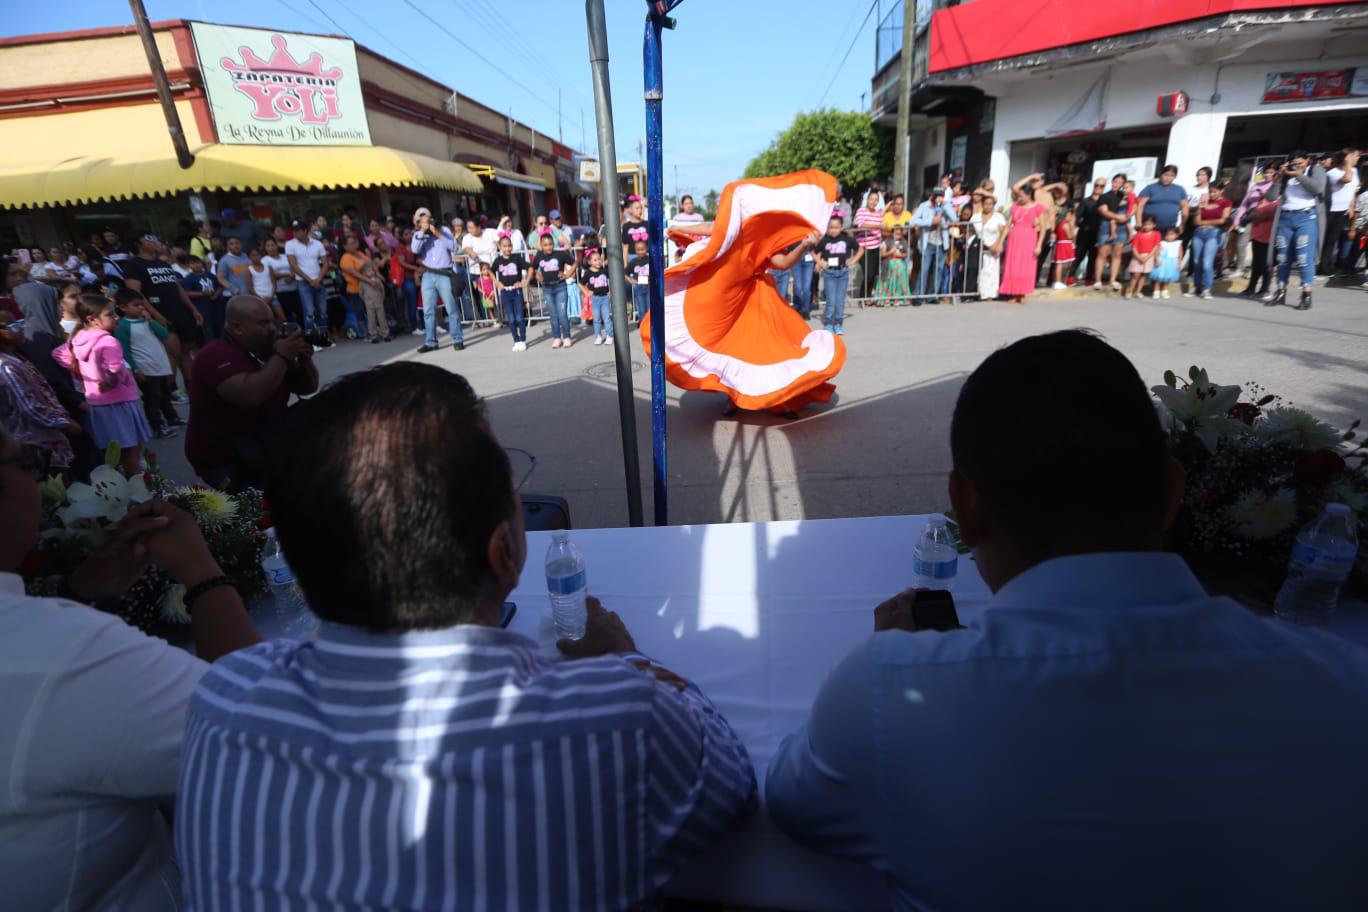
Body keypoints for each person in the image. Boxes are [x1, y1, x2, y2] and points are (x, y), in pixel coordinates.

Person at [766, 329, 1368, 912]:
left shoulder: (891, 690)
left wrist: (900, 665)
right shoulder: (1344, 686)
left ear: (966, 507)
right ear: (1172, 491)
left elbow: (794, 804)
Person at [173, 363, 755, 909]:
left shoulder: (224, 698)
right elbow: (732, 783)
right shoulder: (618, 719)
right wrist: (626, 658)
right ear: (504, 554)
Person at [0, 429, 260, 910]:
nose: (34, 482)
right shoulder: (62, 655)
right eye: (26, 465)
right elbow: (265, 743)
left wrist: (79, 592)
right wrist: (201, 572)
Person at [639, 172, 846, 415]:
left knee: (767, 349)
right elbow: (710, 227)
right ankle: (735, 397)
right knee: (728, 347)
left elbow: (782, 263)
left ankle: (780, 400)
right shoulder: (729, 228)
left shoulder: (764, 235)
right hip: (724, 298)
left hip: (754, 297)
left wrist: (804, 245)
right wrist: (676, 227)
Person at [184, 295, 318, 491]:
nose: (272, 328)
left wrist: (303, 358)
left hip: (264, 447)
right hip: (226, 459)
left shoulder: (267, 349)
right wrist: (282, 356)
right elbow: (250, 396)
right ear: (236, 327)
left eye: (271, 321)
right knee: (263, 505)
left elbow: (307, 387)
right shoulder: (213, 355)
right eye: (263, 323)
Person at [50, 294, 148, 477]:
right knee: (131, 451)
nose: (116, 317)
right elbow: (116, 368)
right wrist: (110, 381)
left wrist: (82, 373)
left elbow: (58, 354)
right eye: (110, 314)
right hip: (119, 402)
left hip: (97, 405)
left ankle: (117, 485)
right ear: (92, 319)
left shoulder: (78, 338)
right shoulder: (108, 341)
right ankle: (137, 487)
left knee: (113, 453)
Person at [119, 232, 200, 394]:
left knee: (185, 351)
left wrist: (193, 309)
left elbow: (178, 288)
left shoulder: (163, 263)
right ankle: (172, 390)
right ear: (138, 244)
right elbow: (136, 295)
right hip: (159, 315)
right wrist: (156, 315)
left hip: (179, 313)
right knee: (171, 353)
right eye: (149, 239)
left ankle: (192, 389)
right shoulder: (133, 265)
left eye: (154, 238)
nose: (155, 241)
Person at [0, 310, 78, 472]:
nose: (21, 329)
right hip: (34, 442)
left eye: (20, 323)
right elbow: (29, 406)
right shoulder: (5, 367)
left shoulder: (18, 358)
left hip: (49, 436)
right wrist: (64, 423)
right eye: (15, 326)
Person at [112, 289, 180, 440]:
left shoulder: (147, 321)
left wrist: (151, 321)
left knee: (165, 395)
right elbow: (124, 350)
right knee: (152, 399)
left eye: (142, 305)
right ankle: (157, 426)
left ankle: (172, 418)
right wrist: (135, 369)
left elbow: (164, 334)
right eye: (136, 305)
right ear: (123, 307)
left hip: (159, 365)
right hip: (145, 368)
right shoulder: (123, 326)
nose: (141, 308)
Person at [1264, 151, 1327, 310]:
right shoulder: (1286, 176)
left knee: (1304, 257)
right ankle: (1281, 291)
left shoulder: (1315, 170)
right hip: (1285, 217)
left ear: (1307, 160)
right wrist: (1278, 179)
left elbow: (1317, 188)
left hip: (1306, 217)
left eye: (1300, 163)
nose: (1297, 166)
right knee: (1282, 257)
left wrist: (1299, 175)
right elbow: (1270, 197)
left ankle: (1306, 294)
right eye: (1294, 164)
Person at [411, 208, 465, 353]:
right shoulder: (418, 234)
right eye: (421, 221)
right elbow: (415, 250)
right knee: (428, 311)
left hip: (444, 273)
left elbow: (454, 247)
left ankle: (457, 339)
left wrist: (437, 233)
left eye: (427, 220)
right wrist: (423, 232)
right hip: (428, 275)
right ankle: (431, 342)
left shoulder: (444, 230)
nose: (425, 223)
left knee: (451, 308)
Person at [998, 186, 1045, 303]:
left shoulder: (1037, 208)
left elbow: (1043, 228)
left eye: (1021, 196)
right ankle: (1013, 293)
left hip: (1029, 240)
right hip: (1014, 240)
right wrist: (1001, 241)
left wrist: (1039, 245)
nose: (1019, 198)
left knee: (1025, 266)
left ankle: (1022, 293)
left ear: (1029, 195)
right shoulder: (1015, 207)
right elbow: (1008, 226)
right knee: (1013, 265)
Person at [816, 213, 861, 334]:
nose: (833, 230)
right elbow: (814, 252)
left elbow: (860, 249)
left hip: (843, 273)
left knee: (840, 302)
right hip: (829, 273)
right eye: (831, 227)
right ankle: (828, 323)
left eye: (836, 227)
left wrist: (854, 260)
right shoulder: (825, 240)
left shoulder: (846, 239)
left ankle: (838, 323)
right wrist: (820, 262)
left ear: (841, 228)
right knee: (831, 301)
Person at [531, 231, 577, 348]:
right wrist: (536, 275)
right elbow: (532, 268)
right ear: (541, 245)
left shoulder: (560, 254)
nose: (548, 247)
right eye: (545, 245)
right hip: (547, 288)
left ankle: (566, 337)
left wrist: (567, 274)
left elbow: (575, 263)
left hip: (560, 287)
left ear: (553, 243)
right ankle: (557, 338)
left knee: (562, 314)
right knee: (553, 315)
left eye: (550, 244)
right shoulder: (539, 256)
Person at [340, 234, 389, 343]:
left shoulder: (360, 253)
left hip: (371, 288)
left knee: (376, 310)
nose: (354, 245)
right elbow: (354, 273)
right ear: (345, 246)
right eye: (351, 244)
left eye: (355, 243)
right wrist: (369, 281)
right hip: (356, 289)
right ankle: (366, 334)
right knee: (361, 312)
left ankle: (382, 332)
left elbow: (371, 263)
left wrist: (377, 274)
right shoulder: (345, 258)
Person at [1188, 180, 1232, 299]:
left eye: (1215, 192)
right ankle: (1197, 287)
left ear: (1222, 190)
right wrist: (1199, 208)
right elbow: (1196, 221)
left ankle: (1207, 288)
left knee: (1207, 262)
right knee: (1196, 261)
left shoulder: (1226, 202)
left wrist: (1204, 222)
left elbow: (1223, 220)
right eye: (1210, 191)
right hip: (1199, 233)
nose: (1212, 194)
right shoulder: (1204, 201)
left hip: (1214, 233)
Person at [285, 219, 330, 333]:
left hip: (319, 281)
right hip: (303, 282)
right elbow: (294, 266)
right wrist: (311, 281)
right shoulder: (290, 244)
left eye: (298, 230)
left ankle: (323, 337)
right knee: (309, 313)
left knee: (323, 312)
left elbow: (325, 263)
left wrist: (318, 279)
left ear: (305, 231)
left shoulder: (317, 243)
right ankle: (311, 339)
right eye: (294, 230)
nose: (295, 233)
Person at [1322, 149, 1361, 275]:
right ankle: (1322, 265)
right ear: (1347, 157)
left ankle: (1329, 265)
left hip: (1343, 211)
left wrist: (1351, 206)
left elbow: (1353, 190)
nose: (1358, 158)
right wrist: (1348, 163)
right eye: (1355, 156)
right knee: (1326, 239)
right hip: (1330, 210)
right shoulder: (1333, 173)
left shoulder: (1354, 171)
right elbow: (1347, 179)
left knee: (1334, 239)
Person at [910, 189, 954, 298]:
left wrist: (946, 206)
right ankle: (919, 295)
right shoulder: (924, 206)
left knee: (938, 269)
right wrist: (930, 221)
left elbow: (954, 219)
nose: (939, 198)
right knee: (924, 269)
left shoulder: (946, 206)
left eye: (941, 196)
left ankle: (932, 295)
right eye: (937, 195)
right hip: (928, 242)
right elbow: (913, 221)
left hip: (942, 243)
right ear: (932, 196)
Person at [491, 234, 530, 351]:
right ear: (500, 247)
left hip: (516, 291)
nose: (507, 248)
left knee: (519, 317)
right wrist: (497, 282)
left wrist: (525, 281)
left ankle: (522, 340)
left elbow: (530, 268)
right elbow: (490, 271)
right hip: (505, 292)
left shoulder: (517, 258)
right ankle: (516, 340)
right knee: (511, 318)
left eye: (509, 246)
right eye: (504, 246)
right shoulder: (498, 260)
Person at [1093, 174, 1130, 291]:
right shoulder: (1104, 196)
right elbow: (1103, 211)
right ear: (1112, 182)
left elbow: (1132, 207)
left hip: (1121, 227)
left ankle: (1113, 279)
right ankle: (1097, 280)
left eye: (1120, 182)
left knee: (1117, 254)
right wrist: (1118, 217)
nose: (1117, 184)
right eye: (1115, 181)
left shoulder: (1125, 196)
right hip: (1106, 226)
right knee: (1102, 254)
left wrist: (1127, 218)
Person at [179, 255, 224, 341]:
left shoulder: (210, 275)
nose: (196, 265)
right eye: (193, 264)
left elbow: (220, 286)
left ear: (201, 263)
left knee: (221, 327)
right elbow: (186, 293)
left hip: (216, 307)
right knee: (209, 331)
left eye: (197, 263)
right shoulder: (188, 279)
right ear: (189, 266)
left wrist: (216, 294)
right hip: (202, 309)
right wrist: (202, 293)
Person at [970, 196, 1006, 300]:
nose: (988, 206)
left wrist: (998, 244)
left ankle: (990, 294)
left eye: (990, 204)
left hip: (993, 246)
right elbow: (971, 231)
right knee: (980, 271)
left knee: (991, 271)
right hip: (979, 247)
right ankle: (978, 292)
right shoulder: (976, 217)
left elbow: (1003, 231)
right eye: (986, 204)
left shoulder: (998, 217)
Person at [854, 190, 885, 301]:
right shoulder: (861, 211)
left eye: (876, 200)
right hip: (863, 247)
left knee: (873, 274)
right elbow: (860, 224)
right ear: (867, 200)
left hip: (876, 246)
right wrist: (877, 226)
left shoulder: (879, 213)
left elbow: (882, 226)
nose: (873, 202)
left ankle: (867, 297)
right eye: (871, 199)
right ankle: (863, 297)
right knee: (868, 274)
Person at [1074, 178, 1107, 282]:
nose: (1098, 187)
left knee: (1093, 256)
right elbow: (1077, 217)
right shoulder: (1085, 201)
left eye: (1101, 186)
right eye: (1096, 185)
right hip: (1085, 233)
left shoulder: (1104, 201)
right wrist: (1083, 226)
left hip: (1098, 233)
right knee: (1079, 255)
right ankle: (1070, 276)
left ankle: (1088, 278)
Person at [578, 248, 613, 345]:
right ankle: (598, 336)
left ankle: (609, 336)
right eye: (595, 260)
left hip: (605, 298)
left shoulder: (604, 271)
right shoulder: (588, 273)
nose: (598, 262)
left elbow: (611, 280)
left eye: (599, 259)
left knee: (606, 318)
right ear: (589, 262)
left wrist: (610, 291)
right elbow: (580, 283)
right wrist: (586, 291)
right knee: (596, 319)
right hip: (595, 298)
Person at [261, 237, 297, 326]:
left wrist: (292, 275)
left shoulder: (285, 256)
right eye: (268, 246)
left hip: (294, 289)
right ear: (265, 248)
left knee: (299, 313)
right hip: (279, 291)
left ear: (276, 246)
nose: (271, 248)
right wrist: (285, 275)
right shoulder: (264, 260)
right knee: (286, 316)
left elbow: (294, 266)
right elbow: (269, 274)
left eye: (273, 245)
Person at [1124, 215, 1161, 299]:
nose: (1147, 226)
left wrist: (1148, 257)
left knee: (1143, 275)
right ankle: (1130, 291)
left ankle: (1138, 291)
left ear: (1154, 225)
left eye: (1149, 224)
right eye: (1145, 224)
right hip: (1137, 256)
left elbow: (1155, 247)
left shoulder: (1156, 234)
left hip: (1149, 256)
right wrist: (1138, 257)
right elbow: (1134, 247)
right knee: (1135, 275)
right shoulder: (1138, 234)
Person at [876, 225, 911, 305]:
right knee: (895, 267)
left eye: (899, 234)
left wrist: (900, 255)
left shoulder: (903, 242)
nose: (897, 236)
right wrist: (891, 252)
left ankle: (899, 298)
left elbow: (906, 254)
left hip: (900, 263)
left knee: (900, 267)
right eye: (896, 234)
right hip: (889, 262)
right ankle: (887, 298)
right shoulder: (886, 241)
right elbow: (882, 254)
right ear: (892, 233)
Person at [1151, 226, 1182, 299]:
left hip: (1172, 262)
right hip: (1162, 261)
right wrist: (1157, 259)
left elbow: (1180, 253)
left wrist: (1179, 262)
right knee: (1159, 277)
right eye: (1167, 234)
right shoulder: (1162, 243)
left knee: (1168, 278)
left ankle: (1164, 291)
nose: (1169, 236)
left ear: (1176, 235)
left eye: (1171, 234)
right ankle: (1156, 291)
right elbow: (1157, 251)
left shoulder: (1178, 243)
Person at [1051, 208, 1076, 289]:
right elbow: (1070, 236)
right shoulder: (1065, 224)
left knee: (1059, 264)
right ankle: (1059, 281)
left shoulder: (1059, 223)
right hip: (1065, 244)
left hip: (1059, 244)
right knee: (1061, 264)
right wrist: (1072, 230)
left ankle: (1057, 281)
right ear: (1067, 215)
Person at [627, 238, 651, 323]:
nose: (640, 252)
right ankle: (642, 324)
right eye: (638, 250)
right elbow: (625, 273)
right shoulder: (633, 262)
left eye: (642, 249)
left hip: (649, 287)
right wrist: (630, 280)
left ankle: (649, 325)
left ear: (646, 248)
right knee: (641, 309)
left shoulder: (650, 259)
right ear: (635, 250)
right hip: (639, 287)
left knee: (649, 308)